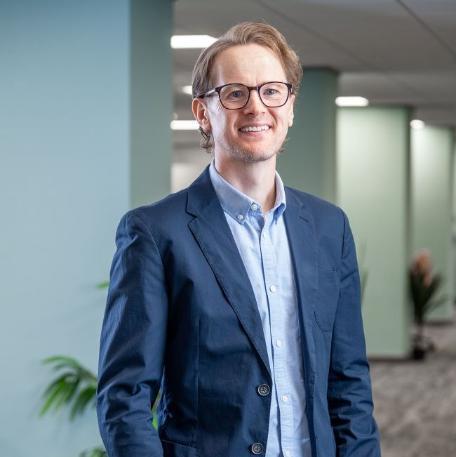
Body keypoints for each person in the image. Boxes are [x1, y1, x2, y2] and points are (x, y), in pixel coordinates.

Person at [97, 21, 381, 457]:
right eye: (235, 93)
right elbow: (125, 398)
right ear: (202, 112)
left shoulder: (329, 228)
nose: (256, 107)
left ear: (290, 107)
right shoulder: (155, 233)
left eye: (271, 91)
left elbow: (348, 385)